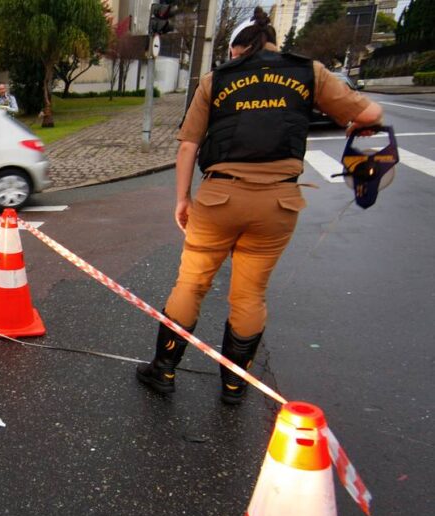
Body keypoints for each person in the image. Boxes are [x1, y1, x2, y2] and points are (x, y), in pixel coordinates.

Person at [136, 7, 384, 404]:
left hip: (220, 198)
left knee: (191, 283)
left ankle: (163, 370)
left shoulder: (217, 78)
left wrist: (183, 198)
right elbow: (370, 113)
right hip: (278, 203)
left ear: (241, 48)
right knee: (250, 296)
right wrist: (354, 124)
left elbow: (188, 145)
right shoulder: (309, 72)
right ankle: (234, 387)